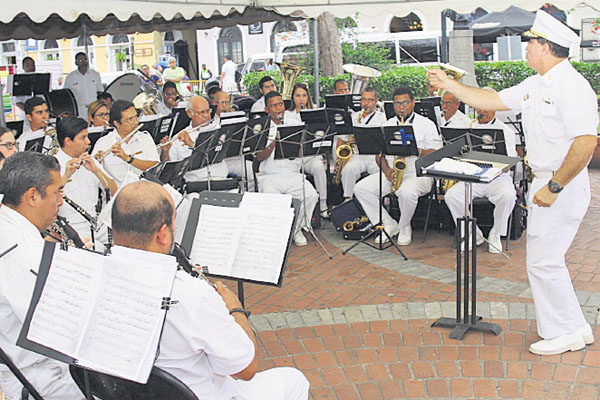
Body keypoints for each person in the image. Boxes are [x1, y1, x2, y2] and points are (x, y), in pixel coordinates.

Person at [427, 9, 597, 355]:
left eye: (531, 42)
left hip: (560, 184)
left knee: (543, 262)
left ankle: (560, 332)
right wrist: (449, 85)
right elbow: (490, 100)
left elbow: (586, 143)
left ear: (546, 47)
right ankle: (576, 327)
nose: (526, 47)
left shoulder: (572, 86)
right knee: (549, 260)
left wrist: (554, 187)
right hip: (547, 183)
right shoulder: (536, 84)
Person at [108, 181, 309, 399]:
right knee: (295, 380)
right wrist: (235, 309)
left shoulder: (92, 274)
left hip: (126, 391)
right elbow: (246, 369)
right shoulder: (192, 295)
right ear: (162, 235)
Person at [0, 152, 84, 399]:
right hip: (42, 378)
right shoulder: (22, 251)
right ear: (32, 196)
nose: (60, 202)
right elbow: (60, 329)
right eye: (57, 192)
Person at [354, 87, 442, 245]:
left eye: (405, 103)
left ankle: (404, 226)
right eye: (397, 104)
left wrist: (417, 150)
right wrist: (386, 170)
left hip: (418, 174)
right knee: (361, 188)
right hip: (393, 172)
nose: (401, 107)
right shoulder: (387, 125)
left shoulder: (427, 124)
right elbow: (378, 155)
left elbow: (437, 153)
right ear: (392, 105)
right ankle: (387, 223)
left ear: (413, 103)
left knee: (406, 192)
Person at [443, 88, 518, 254]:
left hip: (497, 178)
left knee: (507, 196)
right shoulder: (467, 127)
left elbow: (510, 162)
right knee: (452, 196)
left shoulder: (506, 131)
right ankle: (472, 234)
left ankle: (496, 234)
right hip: (472, 176)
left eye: (485, 107)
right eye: (479, 107)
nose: (481, 111)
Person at [256, 91, 318, 246]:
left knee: (311, 195)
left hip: (292, 173)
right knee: (270, 198)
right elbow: (258, 157)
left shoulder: (295, 123)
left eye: (281, 104)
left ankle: (295, 229)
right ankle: (278, 233)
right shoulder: (260, 128)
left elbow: (305, 150)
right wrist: (273, 144)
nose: (278, 108)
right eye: (274, 105)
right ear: (267, 109)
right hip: (270, 175)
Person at [55, 116, 116, 246]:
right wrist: (65, 176)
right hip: (72, 227)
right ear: (68, 141)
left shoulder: (90, 160)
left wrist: (96, 171)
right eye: (82, 138)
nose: (88, 142)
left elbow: (113, 190)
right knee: (98, 250)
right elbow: (47, 197)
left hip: (96, 224)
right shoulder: (53, 164)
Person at [284, 83, 328, 218]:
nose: (301, 99)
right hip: (295, 157)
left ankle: (323, 204)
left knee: (318, 167)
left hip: (310, 155)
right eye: (298, 96)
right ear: (293, 98)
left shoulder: (316, 112)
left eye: (304, 96)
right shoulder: (287, 115)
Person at [92, 100, 160, 187]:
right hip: (117, 196)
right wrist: (96, 164)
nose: (135, 122)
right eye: (129, 120)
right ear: (116, 123)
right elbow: (95, 179)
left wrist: (128, 158)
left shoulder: (145, 138)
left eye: (136, 117)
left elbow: (154, 166)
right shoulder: (103, 143)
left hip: (144, 193)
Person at [338, 87, 387, 201]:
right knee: (348, 169)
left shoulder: (383, 118)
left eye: (370, 100)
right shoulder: (353, 117)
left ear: (376, 101)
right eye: (363, 99)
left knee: (382, 174)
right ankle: (348, 199)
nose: (366, 103)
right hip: (357, 156)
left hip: (375, 157)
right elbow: (342, 139)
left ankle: (378, 199)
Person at [166, 96, 228, 182]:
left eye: (208, 111)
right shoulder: (179, 137)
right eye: (201, 112)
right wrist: (165, 151)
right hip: (196, 183)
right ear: (189, 113)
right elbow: (172, 169)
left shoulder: (218, 130)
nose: (206, 115)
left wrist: (192, 145)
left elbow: (220, 154)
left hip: (222, 179)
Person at [64, 52, 103, 118]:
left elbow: (100, 92)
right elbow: (67, 95)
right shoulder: (70, 77)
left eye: (85, 60)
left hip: (93, 108)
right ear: (76, 62)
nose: (83, 62)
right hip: (79, 110)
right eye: (80, 60)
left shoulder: (95, 75)